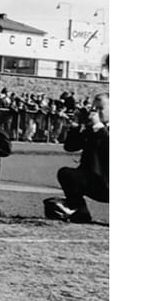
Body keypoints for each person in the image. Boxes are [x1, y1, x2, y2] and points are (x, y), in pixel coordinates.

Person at [44, 93, 109, 223]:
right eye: (94, 109)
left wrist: (99, 127)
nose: (96, 113)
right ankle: (80, 213)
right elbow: (70, 147)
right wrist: (75, 125)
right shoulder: (93, 129)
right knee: (66, 174)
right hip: (94, 180)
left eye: (101, 109)